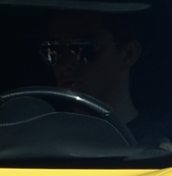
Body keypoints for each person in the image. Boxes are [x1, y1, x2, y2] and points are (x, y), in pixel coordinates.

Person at [41, 10, 160, 139]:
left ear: (129, 54)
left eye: (84, 48)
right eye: (53, 50)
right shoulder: (39, 139)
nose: (64, 63)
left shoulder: (159, 145)